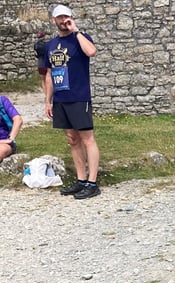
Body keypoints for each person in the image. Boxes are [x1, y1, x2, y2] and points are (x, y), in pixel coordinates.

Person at [44, 4, 102, 200]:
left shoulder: (80, 38)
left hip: (79, 96)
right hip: (61, 98)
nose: (63, 21)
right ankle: (81, 180)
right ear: (53, 20)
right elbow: (50, 74)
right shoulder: (50, 45)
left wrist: (76, 31)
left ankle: (92, 183)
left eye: (66, 17)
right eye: (59, 18)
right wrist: (48, 101)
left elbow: (91, 52)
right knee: (72, 139)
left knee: (87, 138)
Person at [0, 95, 23, 161]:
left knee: (2, 150)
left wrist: (11, 138)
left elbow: (18, 120)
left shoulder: (2, 101)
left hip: (4, 143)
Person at [34, 31, 49, 95]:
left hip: (40, 63)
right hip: (47, 63)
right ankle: (49, 94)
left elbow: (36, 55)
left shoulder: (35, 45)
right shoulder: (47, 45)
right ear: (44, 37)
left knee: (43, 80)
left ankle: (46, 94)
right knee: (48, 79)